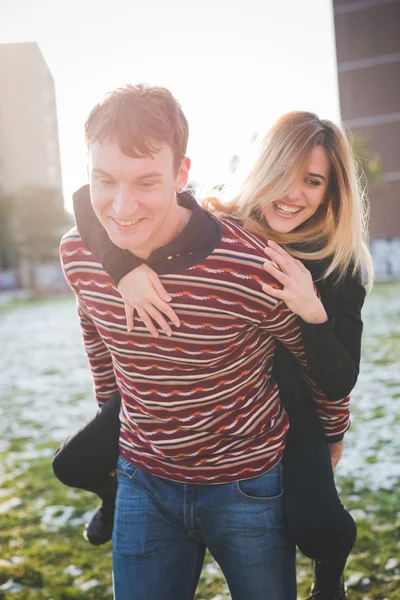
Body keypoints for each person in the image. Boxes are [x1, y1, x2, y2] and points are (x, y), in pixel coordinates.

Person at [57, 85, 367, 600]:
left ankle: (330, 577)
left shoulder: (326, 268)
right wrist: (122, 267)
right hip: (148, 461)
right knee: (71, 461)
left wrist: (312, 313)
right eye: (282, 176)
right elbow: (94, 212)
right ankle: (113, 495)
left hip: (267, 438)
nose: (291, 194)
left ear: (330, 193)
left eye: (311, 182)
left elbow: (335, 375)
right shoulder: (223, 221)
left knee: (317, 518)